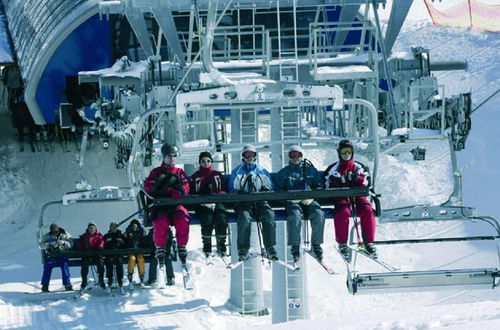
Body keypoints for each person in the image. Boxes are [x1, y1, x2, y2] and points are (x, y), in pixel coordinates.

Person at [323, 139, 377, 259]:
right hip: (342, 197)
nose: (346, 154)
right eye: (343, 151)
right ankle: (342, 243)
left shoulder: (358, 166)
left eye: (349, 151)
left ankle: (369, 242)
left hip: (358, 196)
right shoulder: (334, 168)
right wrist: (337, 182)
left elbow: (366, 181)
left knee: (367, 210)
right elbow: (326, 183)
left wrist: (357, 179)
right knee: (343, 212)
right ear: (339, 153)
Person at [275, 145, 325, 262]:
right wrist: (288, 198)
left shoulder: (310, 171)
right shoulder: (285, 173)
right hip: (293, 202)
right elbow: (278, 190)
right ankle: (295, 246)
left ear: (301, 156)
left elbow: (319, 186)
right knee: (294, 215)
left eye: (297, 155)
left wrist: (312, 196)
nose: (295, 158)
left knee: (318, 214)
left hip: (309, 200)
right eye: (292, 156)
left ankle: (316, 244)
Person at [143, 143, 190, 266]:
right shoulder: (156, 172)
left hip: (175, 206)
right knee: (160, 222)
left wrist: (180, 191)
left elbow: (186, 185)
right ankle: (160, 247)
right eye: (170, 156)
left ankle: (182, 245)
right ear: (164, 157)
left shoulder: (179, 172)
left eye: (175, 155)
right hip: (161, 206)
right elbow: (148, 186)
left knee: (183, 218)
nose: (172, 158)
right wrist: (166, 191)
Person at [228, 144, 277, 261]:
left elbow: (272, 187)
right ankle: (243, 249)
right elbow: (231, 189)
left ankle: (270, 247)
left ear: (255, 156)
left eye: (252, 155)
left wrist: (266, 190)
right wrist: (239, 193)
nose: (249, 157)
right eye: (247, 155)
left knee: (269, 215)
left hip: (260, 200)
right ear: (243, 157)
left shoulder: (261, 171)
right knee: (244, 218)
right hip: (244, 202)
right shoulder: (237, 171)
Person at [189, 151, 228, 257]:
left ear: (211, 162)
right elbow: (191, 191)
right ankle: (207, 244)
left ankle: (221, 243)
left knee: (221, 216)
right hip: (202, 203)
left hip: (217, 201)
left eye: (208, 161)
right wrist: (201, 196)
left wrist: (218, 195)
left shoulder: (217, 175)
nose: (206, 163)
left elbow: (224, 189)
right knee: (207, 218)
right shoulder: (196, 177)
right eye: (203, 161)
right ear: (199, 163)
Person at [40, 223, 73, 292]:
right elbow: (41, 245)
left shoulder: (65, 234)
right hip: (53, 256)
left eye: (56, 230)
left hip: (63, 254)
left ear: (58, 229)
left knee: (64, 264)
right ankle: (45, 285)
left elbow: (71, 244)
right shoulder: (47, 236)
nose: (55, 232)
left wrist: (64, 242)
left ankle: (67, 284)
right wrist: (49, 244)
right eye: (53, 231)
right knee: (48, 265)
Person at [77, 222, 106, 289]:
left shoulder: (98, 235)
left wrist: (99, 247)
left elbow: (102, 242)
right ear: (88, 229)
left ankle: (101, 280)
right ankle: (84, 281)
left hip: (96, 254)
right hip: (87, 255)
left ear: (95, 229)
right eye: (90, 228)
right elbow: (79, 244)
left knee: (101, 263)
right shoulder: (84, 236)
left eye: (93, 228)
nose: (92, 229)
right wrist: (83, 248)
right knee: (84, 264)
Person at [103, 222, 125, 292]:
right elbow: (102, 245)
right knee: (109, 262)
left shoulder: (121, 235)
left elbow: (126, 244)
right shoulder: (106, 236)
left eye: (115, 227)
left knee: (119, 262)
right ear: (110, 228)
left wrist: (122, 242)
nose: (114, 228)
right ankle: (110, 279)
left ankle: (120, 280)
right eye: (112, 227)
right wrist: (106, 242)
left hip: (118, 254)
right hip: (109, 254)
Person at [124, 219, 146, 286]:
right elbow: (124, 239)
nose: (134, 227)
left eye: (135, 226)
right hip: (131, 251)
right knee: (132, 259)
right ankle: (130, 275)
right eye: (133, 226)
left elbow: (145, 238)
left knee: (141, 259)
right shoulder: (128, 232)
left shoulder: (141, 232)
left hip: (139, 250)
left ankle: (141, 275)